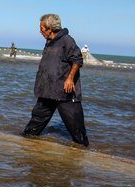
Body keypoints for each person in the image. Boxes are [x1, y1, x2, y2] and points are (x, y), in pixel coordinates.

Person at [23, 13, 89, 146]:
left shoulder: (67, 40)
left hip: (65, 92)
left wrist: (70, 79)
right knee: (33, 126)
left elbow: (77, 60)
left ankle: (83, 155)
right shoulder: (49, 42)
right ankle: (26, 145)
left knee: (77, 130)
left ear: (50, 28)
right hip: (47, 91)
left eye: (41, 27)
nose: (40, 31)